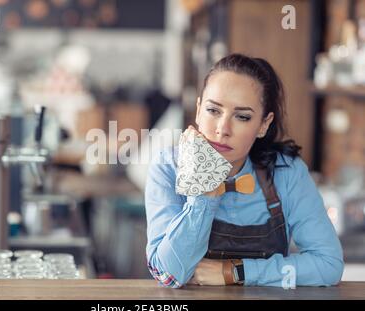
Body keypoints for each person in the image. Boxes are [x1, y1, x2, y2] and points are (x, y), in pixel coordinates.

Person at [145, 54, 344, 288]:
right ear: (198, 110)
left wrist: (235, 271)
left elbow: (328, 265)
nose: (223, 129)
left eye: (242, 117)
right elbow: (169, 275)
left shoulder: (287, 172)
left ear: (263, 124)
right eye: (213, 110)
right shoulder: (168, 168)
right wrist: (204, 195)